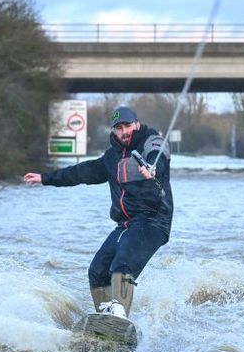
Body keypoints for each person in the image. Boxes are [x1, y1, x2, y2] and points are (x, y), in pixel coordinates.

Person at [23, 105, 173, 319]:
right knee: (97, 270)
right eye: (119, 128)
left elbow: (160, 154)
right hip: (126, 225)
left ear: (136, 124)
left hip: (154, 221)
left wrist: (152, 168)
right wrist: (46, 178)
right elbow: (81, 172)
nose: (124, 131)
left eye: (128, 126)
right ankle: (105, 320)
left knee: (123, 264)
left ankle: (119, 316)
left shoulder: (151, 141)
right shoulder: (111, 158)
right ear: (114, 131)